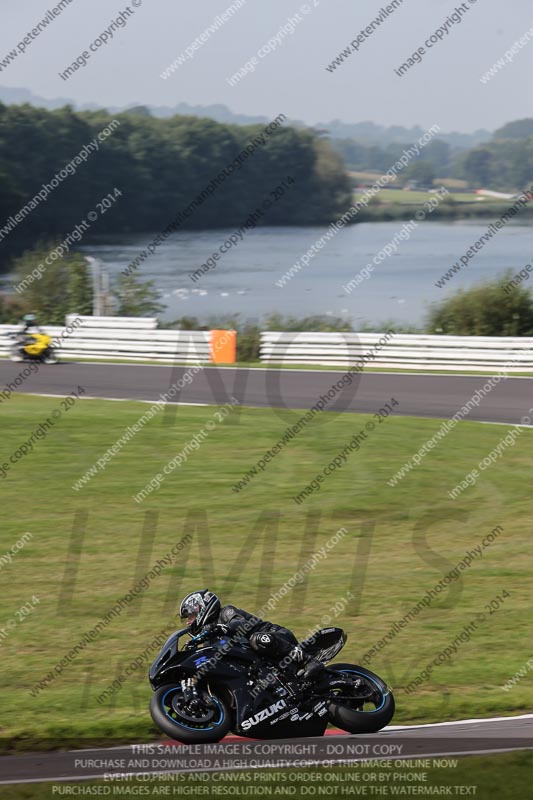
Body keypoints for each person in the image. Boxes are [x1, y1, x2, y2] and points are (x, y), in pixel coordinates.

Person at [179, 589, 323, 680]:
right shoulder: (211, 639)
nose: (188, 623)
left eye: (190, 616)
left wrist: (223, 628)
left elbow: (239, 624)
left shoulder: (226, 612)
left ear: (201, 608)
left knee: (257, 639)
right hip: (262, 662)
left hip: (275, 636)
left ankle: (308, 661)